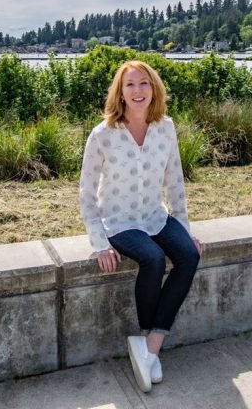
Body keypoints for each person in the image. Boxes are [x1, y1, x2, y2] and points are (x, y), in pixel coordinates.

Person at [79, 60, 204, 393]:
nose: (138, 91)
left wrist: (185, 228)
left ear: (154, 88)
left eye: (144, 84)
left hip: (155, 215)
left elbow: (175, 182)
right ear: (120, 92)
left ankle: (151, 344)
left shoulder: (166, 127)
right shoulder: (103, 134)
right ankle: (148, 338)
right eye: (130, 85)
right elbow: (86, 194)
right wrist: (99, 242)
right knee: (151, 258)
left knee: (189, 255)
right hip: (118, 221)